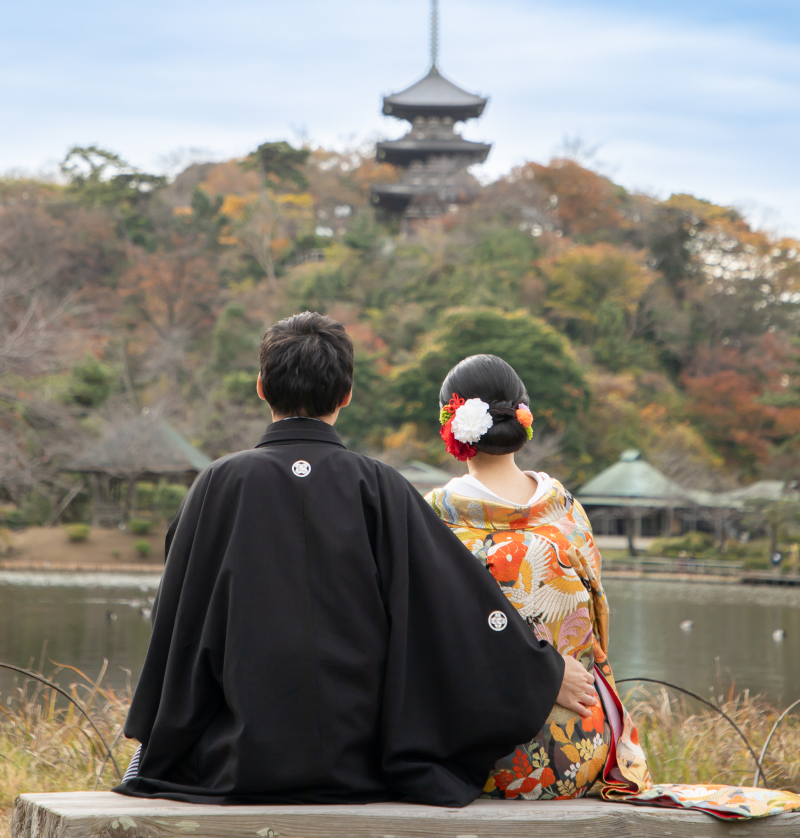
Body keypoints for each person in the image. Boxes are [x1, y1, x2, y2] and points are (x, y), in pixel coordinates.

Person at [114, 312, 579, 807]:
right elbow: (455, 602)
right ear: (347, 394)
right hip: (360, 763)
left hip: (234, 762)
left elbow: (177, 620)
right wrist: (540, 671)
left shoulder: (217, 485)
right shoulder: (379, 486)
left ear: (261, 388)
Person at [425, 353, 800, 821]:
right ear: (522, 415)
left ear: (450, 425)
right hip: (582, 748)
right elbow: (597, 631)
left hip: (479, 761)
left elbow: (432, 649)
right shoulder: (567, 513)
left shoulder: (433, 519)